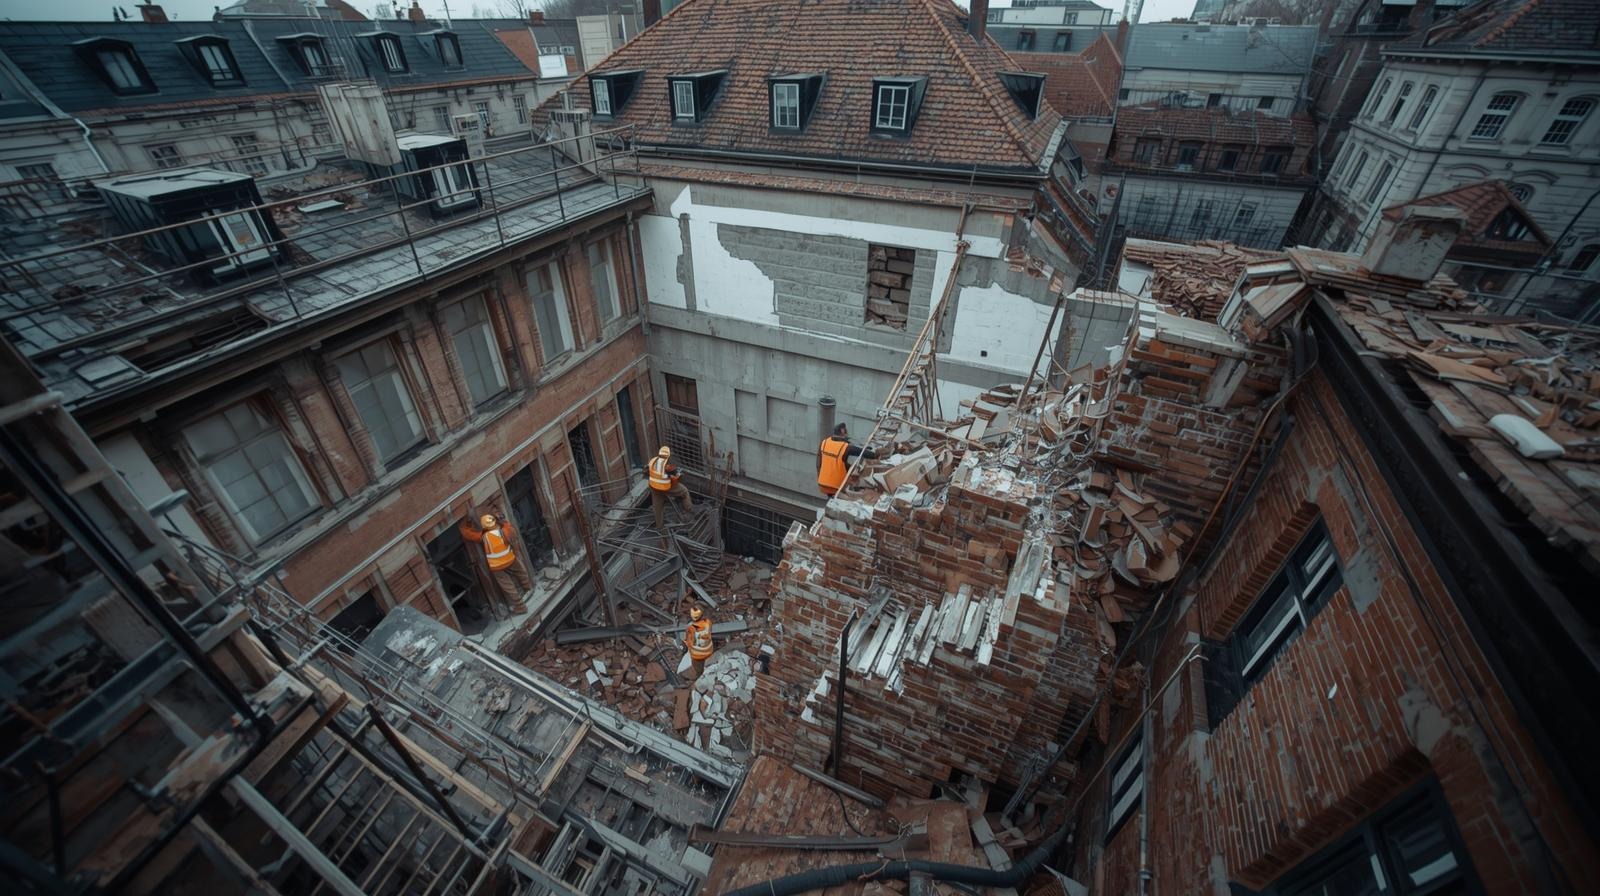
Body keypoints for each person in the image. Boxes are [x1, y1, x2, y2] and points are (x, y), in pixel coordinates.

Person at [458, 512, 531, 614]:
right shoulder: (503, 531)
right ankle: (529, 589)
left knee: (508, 586)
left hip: (497, 566)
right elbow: (508, 527)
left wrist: (468, 523)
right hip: (510, 559)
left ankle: (520, 607)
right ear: (495, 522)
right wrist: (501, 518)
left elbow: (467, 534)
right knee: (521, 573)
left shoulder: (483, 537)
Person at [817, 423, 877, 497]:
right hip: (837, 486)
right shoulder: (844, 447)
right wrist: (875, 453)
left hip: (822, 484)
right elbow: (865, 453)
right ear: (842, 431)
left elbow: (819, 464)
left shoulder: (824, 443)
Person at [647, 445, 693, 532]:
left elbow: (647, 470)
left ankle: (660, 527)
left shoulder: (652, 461)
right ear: (668, 456)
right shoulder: (667, 466)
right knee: (684, 491)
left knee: (658, 507)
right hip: (665, 487)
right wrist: (677, 474)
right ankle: (689, 509)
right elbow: (674, 476)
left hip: (653, 486)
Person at [684, 604, 714, 679]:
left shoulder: (691, 627)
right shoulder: (708, 622)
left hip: (697, 653)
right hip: (708, 650)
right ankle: (705, 674)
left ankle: (700, 676)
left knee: (698, 666)